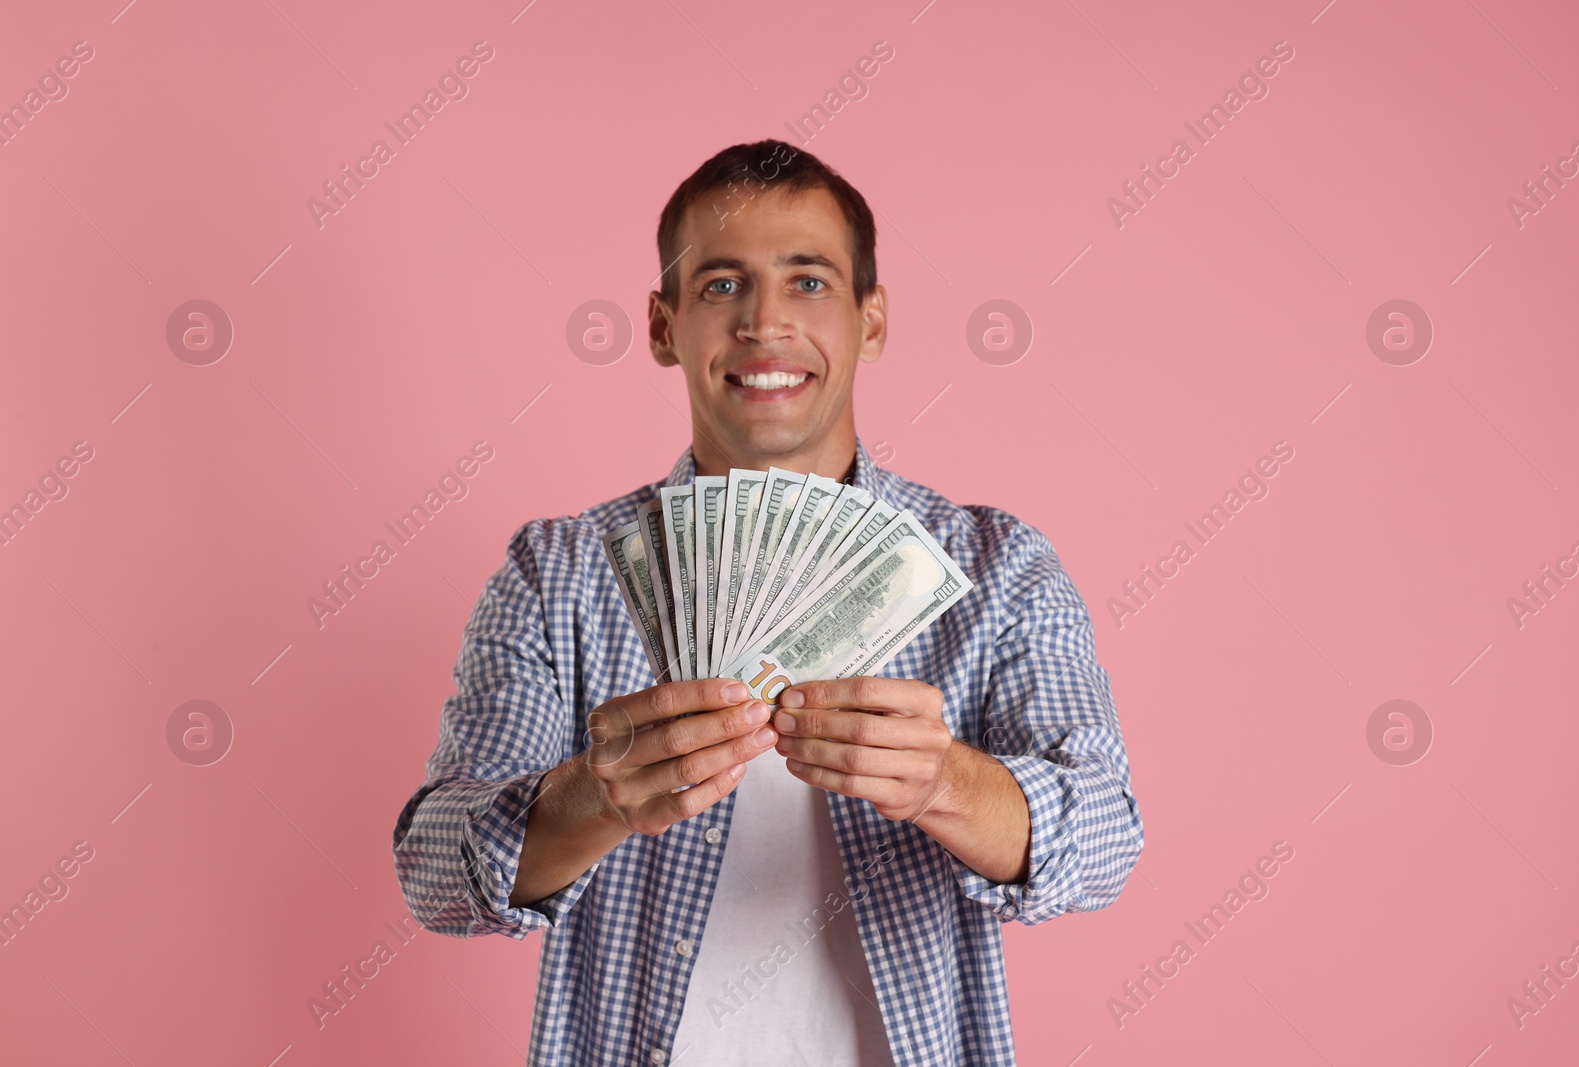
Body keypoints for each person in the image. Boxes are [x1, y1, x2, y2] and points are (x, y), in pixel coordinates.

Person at [392, 139, 1144, 1067]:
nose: (764, 323)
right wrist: (595, 796)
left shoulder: (996, 567)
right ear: (665, 327)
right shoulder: (562, 573)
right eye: (720, 286)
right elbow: (433, 873)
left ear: (873, 322)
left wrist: (946, 781)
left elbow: (1105, 837)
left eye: (809, 282)